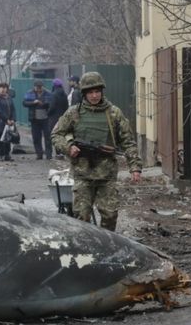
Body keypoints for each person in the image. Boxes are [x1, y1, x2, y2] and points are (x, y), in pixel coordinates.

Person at [51, 72, 142, 231]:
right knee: (82, 217)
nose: (94, 96)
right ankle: (85, 250)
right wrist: (68, 147)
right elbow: (56, 134)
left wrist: (135, 167)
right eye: (90, 92)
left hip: (107, 174)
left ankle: (106, 247)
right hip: (82, 173)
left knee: (110, 215)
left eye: (97, 92)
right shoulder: (74, 113)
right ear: (84, 93)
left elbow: (128, 141)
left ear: (102, 91)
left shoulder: (113, 113)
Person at [23, 80, 53, 160]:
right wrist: (33, 102)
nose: (39, 89)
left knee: (47, 137)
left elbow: (51, 103)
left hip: (45, 118)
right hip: (34, 118)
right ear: (34, 87)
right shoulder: (30, 93)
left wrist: (43, 103)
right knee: (36, 137)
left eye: (40, 87)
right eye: (37, 87)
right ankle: (39, 154)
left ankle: (49, 154)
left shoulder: (48, 93)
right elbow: (25, 103)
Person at [0, 82, 16, 161]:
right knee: (1, 139)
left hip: (9, 122)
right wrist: (6, 119)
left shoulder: (9, 98)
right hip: (1, 122)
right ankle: (0, 155)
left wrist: (13, 119)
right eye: (1, 88)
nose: (3, 89)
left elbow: (13, 109)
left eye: (4, 88)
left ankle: (7, 155)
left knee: (8, 139)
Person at [48, 78, 69, 159]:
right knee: (62, 134)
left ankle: (58, 152)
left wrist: (48, 113)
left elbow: (52, 107)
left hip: (54, 118)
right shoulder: (64, 94)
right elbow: (66, 106)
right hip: (62, 117)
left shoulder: (54, 94)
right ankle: (62, 152)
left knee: (55, 134)